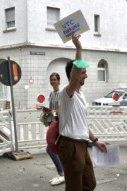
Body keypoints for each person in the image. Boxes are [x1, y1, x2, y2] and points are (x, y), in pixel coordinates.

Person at [57, 34, 107, 191]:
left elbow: (82, 124)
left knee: (89, 183)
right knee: (74, 188)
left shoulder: (80, 94)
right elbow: (75, 73)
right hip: (70, 145)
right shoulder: (67, 93)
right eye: (83, 72)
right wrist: (78, 48)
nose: (86, 75)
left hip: (82, 144)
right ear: (75, 74)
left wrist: (95, 140)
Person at [44, 72, 65, 186]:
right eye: (51, 80)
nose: (52, 81)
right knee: (57, 149)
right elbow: (52, 109)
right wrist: (47, 112)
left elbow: (61, 110)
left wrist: (52, 111)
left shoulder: (61, 93)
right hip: (52, 123)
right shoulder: (51, 94)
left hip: (59, 124)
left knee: (50, 149)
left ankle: (62, 173)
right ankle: (63, 173)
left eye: (54, 80)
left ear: (59, 80)